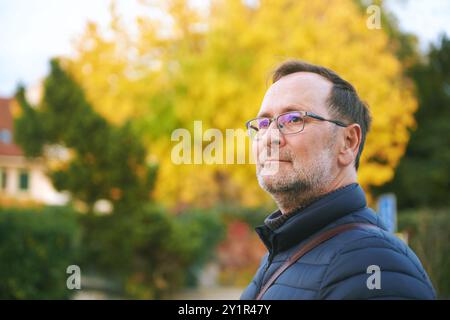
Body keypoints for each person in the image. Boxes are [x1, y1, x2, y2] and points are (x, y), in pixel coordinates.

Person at [240, 60, 436, 300]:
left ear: (348, 142)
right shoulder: (285, 251)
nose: (270, 137)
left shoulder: (374, 263)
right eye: (263, 123)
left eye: (293, 119)